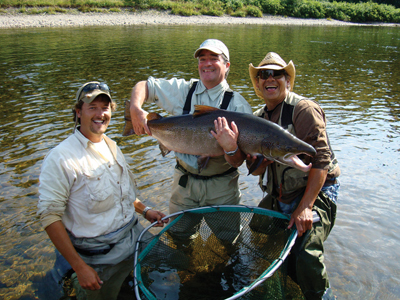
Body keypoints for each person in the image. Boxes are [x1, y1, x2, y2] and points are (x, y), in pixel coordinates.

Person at [37, 81, 168, 300]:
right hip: (99, 256)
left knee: (170, 267)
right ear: (78, 113)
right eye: (92, 107)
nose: (100, 114)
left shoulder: (111, 145)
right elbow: (49, 216)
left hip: (133, 236)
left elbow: (121, 193)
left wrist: (145, 211)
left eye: (105, 108)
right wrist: (79, 267)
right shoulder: (60, 158)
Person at [129, 39, 252, 245]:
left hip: (222, 187)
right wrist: (134, 109)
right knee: (179, 238)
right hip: (183, 185)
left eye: (214, 59)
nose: (206, 64)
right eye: (202, 59)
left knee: (229, 241)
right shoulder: (183, 90)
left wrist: (231, 149)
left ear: (227, 65)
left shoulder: (238, 106)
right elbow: (144, 86)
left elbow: (239, 162)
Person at [247, 52, 341, 300]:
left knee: (306, 253)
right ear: (257, 83)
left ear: (287, 80)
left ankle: (321, 296)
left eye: (276, 73)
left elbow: (322, 159)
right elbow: (255, 170)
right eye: (263, 74)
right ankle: (289, 278)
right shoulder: (257, 119)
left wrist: (306, 207)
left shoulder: (303, 109)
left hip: (317, 190)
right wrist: (260, 159)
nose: (270, 78)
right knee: (258, 227)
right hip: (281, 193)